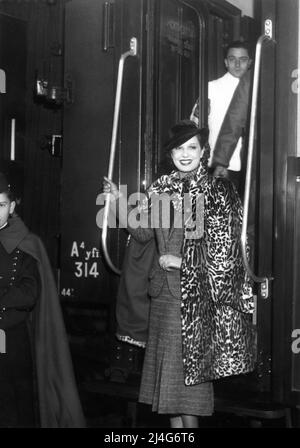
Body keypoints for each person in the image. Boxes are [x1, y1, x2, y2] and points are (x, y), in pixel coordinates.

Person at [103, 120, 256, 428]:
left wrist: (180, 261)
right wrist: (118, 201)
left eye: (192, 148)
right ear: (170, 153)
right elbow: (145, 233)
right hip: (163, 297)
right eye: (179, 148)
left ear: (204, 151)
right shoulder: (161, 187)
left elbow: (225, 253)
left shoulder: (216, 190)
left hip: (194, 299)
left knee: (188, 395)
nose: (185, 154)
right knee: (169, 396)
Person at [0, 172, 86, 428]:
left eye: (1, 205)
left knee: (17, 403)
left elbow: (30, 292)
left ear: (12, 207)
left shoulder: (27, 243)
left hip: (12, 336)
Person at [190, 40, 252, 192]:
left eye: (242, 60)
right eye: (232, 59)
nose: (237, 65)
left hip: (248, 167)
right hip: (217, 166)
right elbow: (193, 125)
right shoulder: (211, 88)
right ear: (226, 62)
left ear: (250, 63)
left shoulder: (257, 89)